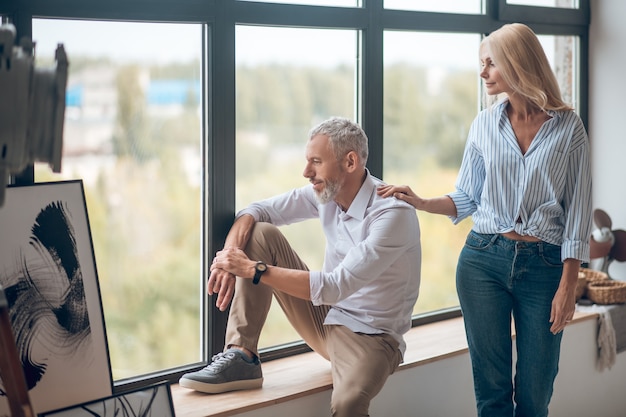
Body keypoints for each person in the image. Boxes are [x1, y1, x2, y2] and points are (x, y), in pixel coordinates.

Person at [377, 23, 592, 417]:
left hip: (544, 267)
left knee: (536, 393)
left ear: (517, 63)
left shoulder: (568, 129)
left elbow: (578, 211)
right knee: (491, 394)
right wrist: (422, 201)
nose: (483, 72)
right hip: (482, 262)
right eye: (482, 64)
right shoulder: (483, 125)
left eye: (490, 64)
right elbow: (467, 197)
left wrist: (569, 282)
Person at [179, 117, 421, 417]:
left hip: (372, 337)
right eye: (308, 161)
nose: (307, 173)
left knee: (347, 404)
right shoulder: (327, 194)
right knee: (259, 232)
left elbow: (336, 286)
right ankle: (241, 355)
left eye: (316, 162)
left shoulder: (392, 214)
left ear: (350, 162)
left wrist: (254, 269)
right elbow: (257, 211)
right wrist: (228, 256)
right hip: (325, 317)